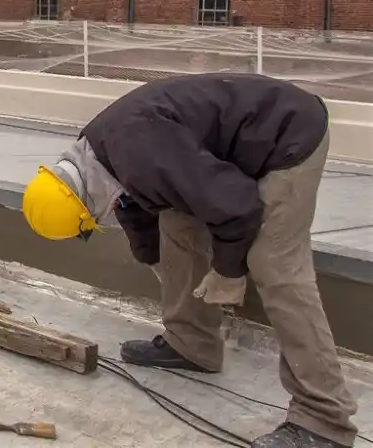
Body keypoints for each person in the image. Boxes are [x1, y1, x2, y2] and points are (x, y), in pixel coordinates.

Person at [21, 73, 359, 448]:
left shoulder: (139, 153)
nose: (101, 219)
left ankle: (323, 419)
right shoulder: (95, 159)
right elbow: (135, 206)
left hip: (286, 135)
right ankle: (192, 344)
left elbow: (237, 206)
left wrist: (228, 273)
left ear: (85, 204)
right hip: (236, 142)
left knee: (274, 263)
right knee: (177, 223)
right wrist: (153, 259)